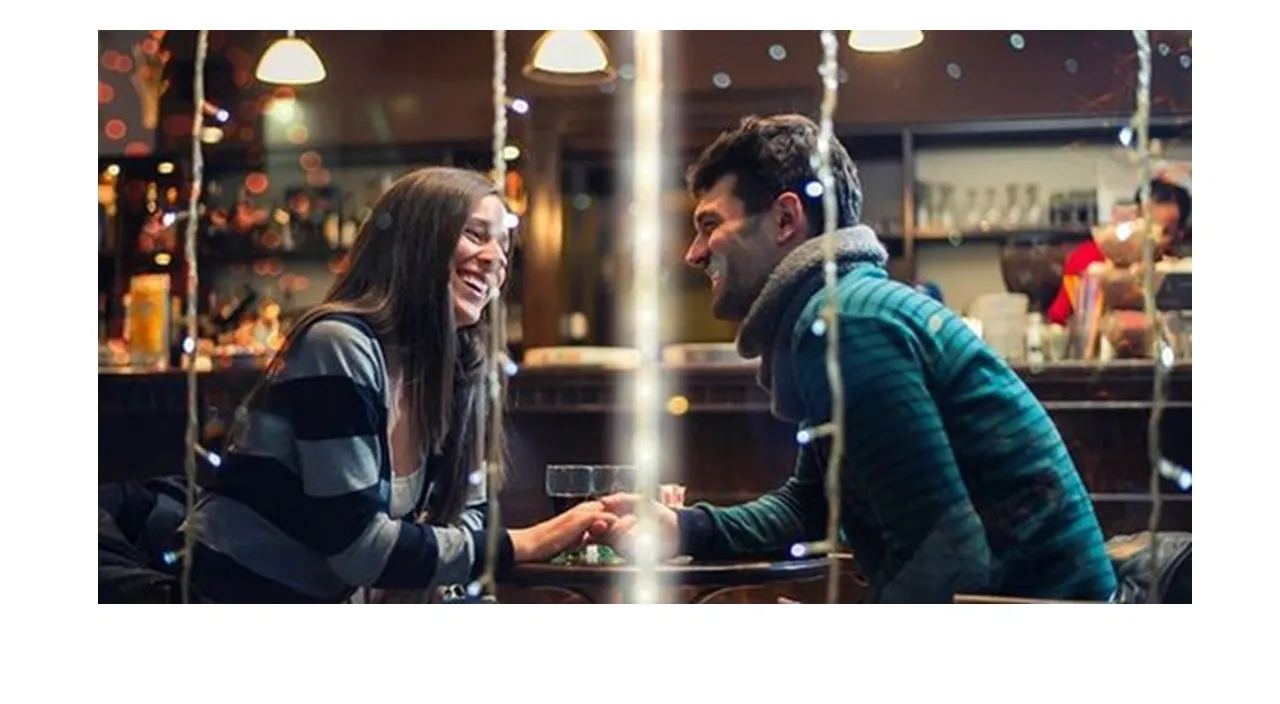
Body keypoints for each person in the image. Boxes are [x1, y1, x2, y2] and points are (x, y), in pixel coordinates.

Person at [598, 114, 1117, 603]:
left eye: (709, 224)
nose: (693, 252)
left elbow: (945, 554)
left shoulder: (847, 324)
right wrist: (684, 527)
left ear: (785, 218)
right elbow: (811, 505)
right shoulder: (844, 310)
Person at [180, 167, 614, 603]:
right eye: (475, 235)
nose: (496, 258)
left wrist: (420, 564)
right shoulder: (339, 344)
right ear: (415, 243)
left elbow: (470, 514)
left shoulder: (462, 364)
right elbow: (360, 550)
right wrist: (530, 542)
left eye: (503, 244)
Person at [1046, 177, 1191, 326]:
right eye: (1147, 227)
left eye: (1164, 232)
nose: (1152, 239)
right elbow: (1058, 322)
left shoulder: (1179, 274)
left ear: (1180, 234)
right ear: (1134, 218)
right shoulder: (1087, 258)